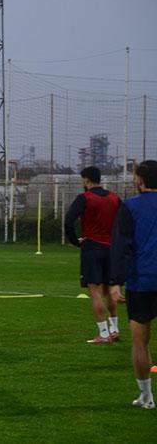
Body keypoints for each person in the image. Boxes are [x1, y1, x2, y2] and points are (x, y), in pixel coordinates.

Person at [109, 160, 157, 410]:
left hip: (142, 281)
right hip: (144, 279)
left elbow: (122, 246)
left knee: (140, 342)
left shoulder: (130, 207)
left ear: (139, 179)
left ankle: (147, 396)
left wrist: (116, 281)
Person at [64, 166, 121, 343]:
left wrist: (75, 241)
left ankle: (103, 333)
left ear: (86, 180)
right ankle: (115, 329)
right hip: (111, 247)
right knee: (109, 289)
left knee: (94, 291)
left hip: (92, 247)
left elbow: (68, 221)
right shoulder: (114, 198)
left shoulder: (85, 198)